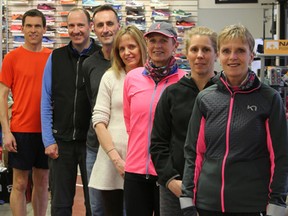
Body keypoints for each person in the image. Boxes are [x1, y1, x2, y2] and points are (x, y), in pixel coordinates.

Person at [180, 24, 288, 216]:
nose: (233, 57)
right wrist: (187, 201)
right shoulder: (206, 98)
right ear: (219, 56)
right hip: (207, 204)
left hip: (252, 206)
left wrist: (277, 205)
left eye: (240, 50)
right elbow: (194, 154)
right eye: (226, 51)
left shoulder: (269, 99)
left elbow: (280, 157)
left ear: (251, 55)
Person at [150, 26, 218, 216]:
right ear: (186, 53)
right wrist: (171, 180)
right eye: (194, 49)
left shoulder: (226, 94)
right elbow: (158, 143)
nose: (199, 55)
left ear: (216, 54)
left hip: (216, 190)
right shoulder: (172, 94)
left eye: (206, 50)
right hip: (176, 188)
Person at [41, 7, 100, 216]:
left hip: (92, 143)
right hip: (61, 142)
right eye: (71, 26)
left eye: (80, 25)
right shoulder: (55, 57)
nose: (76, 30)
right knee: (60, 204)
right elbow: (46, 99)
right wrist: (48, 139)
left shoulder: (101, 57)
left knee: (94, 204)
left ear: (90, 26)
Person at [123, 22, 186, 216]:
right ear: (146, 44)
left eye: (163, 41)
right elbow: (129, 121)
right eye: (152, 40)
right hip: (135, 169)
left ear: (174, 44)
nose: (157, 46)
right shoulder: (132, 78)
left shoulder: (185, 81)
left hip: (168, 173)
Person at [89, 25, 147, 216]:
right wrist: (116, 158)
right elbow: (99, 120)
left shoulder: (152, 77)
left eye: (131, 47)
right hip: (112, 161)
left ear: (142, 46)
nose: (126, 53)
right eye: (121, 49)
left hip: (143, 162)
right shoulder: (110, 77)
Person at [0, 9, 50, 216]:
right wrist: (6, 132)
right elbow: (2, 96)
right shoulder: (12, 58)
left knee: (42, 182)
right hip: (20, 131)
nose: (33, 30)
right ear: (22, 29)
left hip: (47, 132)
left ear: (44, 29)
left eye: (37, 26)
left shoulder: (52, 57)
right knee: (19, 184)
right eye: (28, 26)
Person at [82, 5, 120, 216]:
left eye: (110, 24)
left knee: (123, 207)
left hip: (124, 146)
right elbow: (91, 102)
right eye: (100, 25)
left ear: (118, 26)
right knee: (96, 207)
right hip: (95, 147)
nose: (105, 29)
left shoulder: (131, 61)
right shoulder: (89, 64)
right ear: (94, 29)